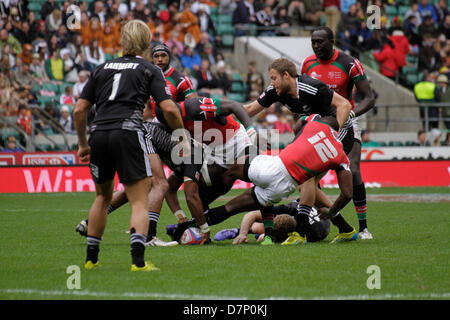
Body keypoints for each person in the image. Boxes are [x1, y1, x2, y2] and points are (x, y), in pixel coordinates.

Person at [73, 20, 188, 272]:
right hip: (128, 133)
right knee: (138, 201)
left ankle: (91, 260)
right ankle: (138, 262)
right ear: (146, 43)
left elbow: (80, 109)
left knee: (102, 198)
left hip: (99, 133)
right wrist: (181, 136)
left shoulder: (100, 68)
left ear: (122, 41)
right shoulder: (149, 69)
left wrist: (83, 143)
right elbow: (168, 107)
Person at [169, 115, 356, 245]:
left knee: (232, 170)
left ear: (325, 122)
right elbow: (347, 193)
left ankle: (199, 185)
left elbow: (299, 124)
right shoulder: (341, 156)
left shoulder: (316, 124)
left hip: (273, 167)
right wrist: (331, 212)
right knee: (231, 208)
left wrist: (299, 137)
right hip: (283, 189)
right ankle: (187, 228)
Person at [301, 27, 376, 239]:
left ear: (332, 41)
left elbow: (369, 98)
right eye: (313, 42)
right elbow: (305, 95)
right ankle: (331, 224)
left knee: (353, 170)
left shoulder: (349, 63)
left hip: (347, 121)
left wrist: (351, 115)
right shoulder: (308, 64)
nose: (316, 46)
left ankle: (363, 228)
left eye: (320, 42)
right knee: (310, 175)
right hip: (319, 124)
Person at [214, 203, 331, 245]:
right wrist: (243, 233)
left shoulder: (308, 234)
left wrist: (264, 237)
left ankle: (250, 232)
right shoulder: (288, 209)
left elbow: (261, 238)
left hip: (320, 223)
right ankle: (238, 231)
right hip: (313, 210)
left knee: (260, 236)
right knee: (261, 225)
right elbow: (251, 215)